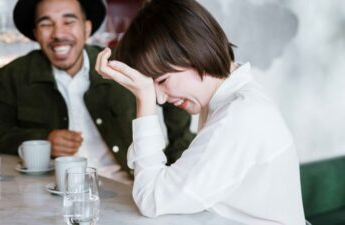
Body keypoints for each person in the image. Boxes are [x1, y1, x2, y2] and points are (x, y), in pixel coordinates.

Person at [95, 0, 306, 223]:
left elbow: (151, 198)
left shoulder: (240, 116)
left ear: (192, 52)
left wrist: (144, 101)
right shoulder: (228, 102)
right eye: (152, 88)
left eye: (163, 80)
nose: (160, 98)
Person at [0, 0, 194, 184]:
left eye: (68, 22)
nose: (58, 34)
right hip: (53, 192)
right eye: (46, 24)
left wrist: (173, 178)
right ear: (36, 33)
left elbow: (178, 123)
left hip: (127, 188)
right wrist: (43, 139)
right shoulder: (13, 76)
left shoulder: (122, 68)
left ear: (87, 28)